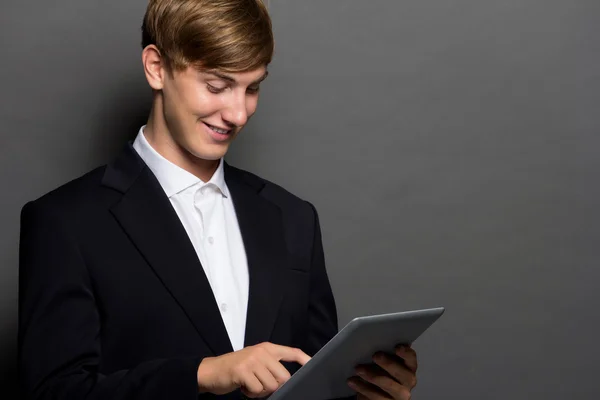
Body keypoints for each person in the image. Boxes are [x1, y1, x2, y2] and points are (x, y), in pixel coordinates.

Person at [18, 1, 419, 399]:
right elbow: (55, 392)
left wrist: (367, 393)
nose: (239, 114)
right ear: (157, 67)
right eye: (217, 86)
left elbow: (311, 384)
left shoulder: (293, 218)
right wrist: (202, 374)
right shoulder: (65, 222)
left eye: (253, 88)